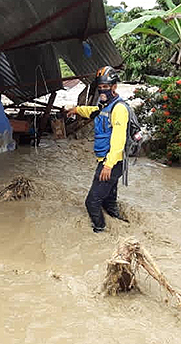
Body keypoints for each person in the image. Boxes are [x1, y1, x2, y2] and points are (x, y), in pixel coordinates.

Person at [67, 66, 130, 233]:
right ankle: (119, 223)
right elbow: (94, 112)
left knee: (92, 202)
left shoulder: (119, 109)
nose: (102, 90)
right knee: (108, 200)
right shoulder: (105, 105)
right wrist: (76, 109)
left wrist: (108, 165)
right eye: (100, 87)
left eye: (106, 87)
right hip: (111, 161)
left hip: (112, 162)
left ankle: (100, 231)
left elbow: (118, 139)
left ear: (114, 86)